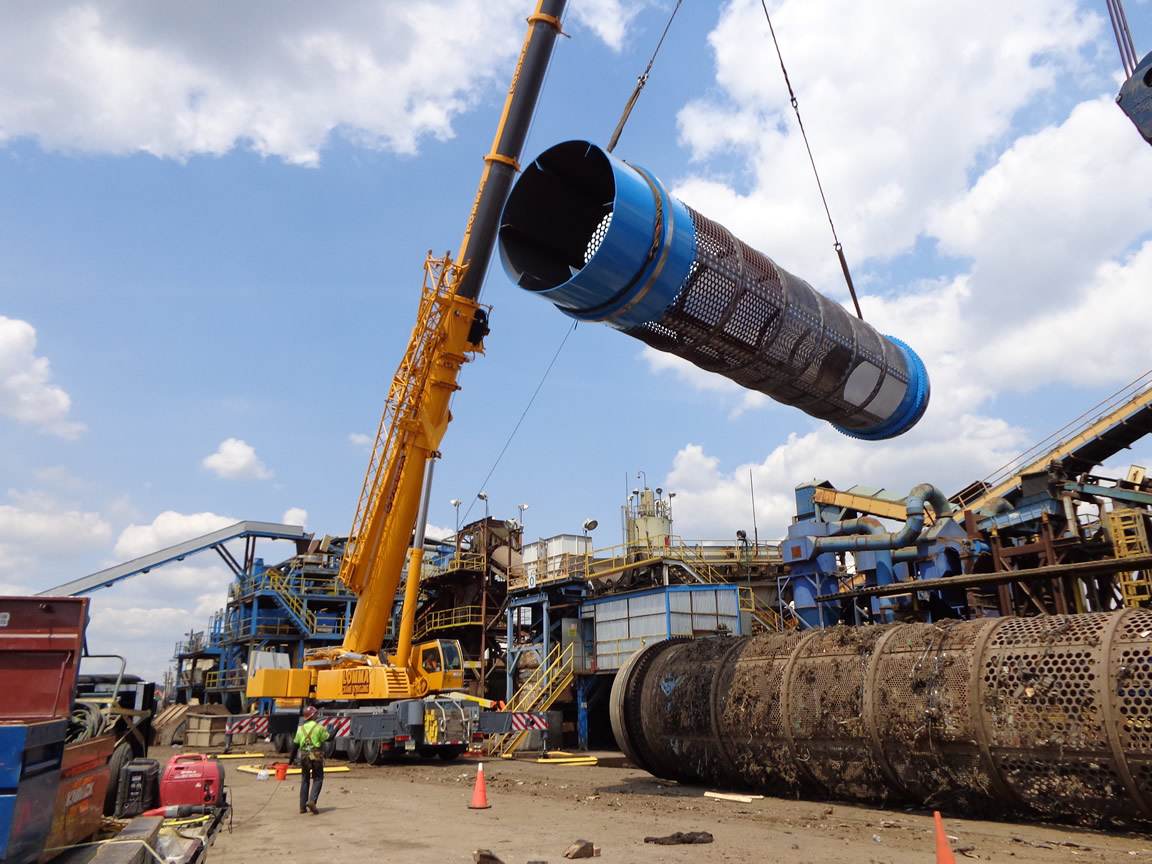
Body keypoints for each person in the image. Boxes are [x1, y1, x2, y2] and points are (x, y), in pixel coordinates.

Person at [291, 705, 330, 814]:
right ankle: (312, 800)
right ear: (312, 716)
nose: (317, 715)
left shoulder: (301, 729)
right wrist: (337, 728)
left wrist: (291, 760)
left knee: (305, 779)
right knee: (318, 778)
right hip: (316, 756)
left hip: (304, 756)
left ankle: (302, 807)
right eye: (316, 713)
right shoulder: (319, 728)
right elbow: (329, 738)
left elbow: (294, 746)